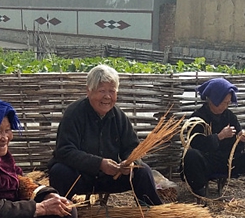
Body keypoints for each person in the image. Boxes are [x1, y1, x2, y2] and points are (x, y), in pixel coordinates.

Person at [49, 64, 164, 206]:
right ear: (88, 91)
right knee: (59, 171)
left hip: (110, 177)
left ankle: (153, 213)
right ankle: (62, 216)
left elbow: (132, 147)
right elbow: (64, 150)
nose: (107, 96)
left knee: (142, 171)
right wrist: (99, 164)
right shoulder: (74, 114)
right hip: (81, 177)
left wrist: (130, 162)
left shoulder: (118, 116)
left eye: (112, 91)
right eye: (101, 91)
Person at [181, 77, 245, 211]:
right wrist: (219, 137)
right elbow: (196, 144)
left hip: (229, 162)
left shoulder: (229, 116)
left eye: (228, 103)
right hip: (208, 163)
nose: (226, 106)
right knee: (191, 155)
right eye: (223, 102)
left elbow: (237, 148)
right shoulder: (198, 117)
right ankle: (201, 197)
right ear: (213, 99)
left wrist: (240, 139)